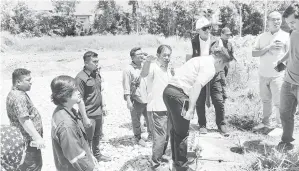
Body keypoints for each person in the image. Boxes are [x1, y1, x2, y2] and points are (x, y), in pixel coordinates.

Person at [163, 47, 235, 170]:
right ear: (219, 62)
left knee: (176, 130)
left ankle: (176, 162)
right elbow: (197, 86)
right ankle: (182, 167)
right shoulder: (211, 68)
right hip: (179, 95)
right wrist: (191, 108)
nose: (222, 69)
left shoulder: (201, 59)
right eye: (223, 66)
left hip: (169, 92)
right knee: (182, 133)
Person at [51, 75, 100, 171]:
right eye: (75, 90)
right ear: (65, 94)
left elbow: (79, 142)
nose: (79, 92)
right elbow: (76, 158)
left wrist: (89, 156)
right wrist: (91, 168)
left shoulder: (63, 110)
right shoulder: (67, 125)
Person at [189, 16, 228, 135]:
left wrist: (222, 76)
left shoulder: (217, 40)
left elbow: (222, 58)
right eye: (204, 28)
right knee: (199, 101)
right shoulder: (193, 41)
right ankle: (202, 124)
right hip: (200, 75)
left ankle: (221, 124)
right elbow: (188, 60)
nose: (207, 30)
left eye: (209, 27)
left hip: (214, 75)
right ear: (198, 30)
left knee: (219, 100)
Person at [252, 11, 290, 131]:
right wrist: (268, 48)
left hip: (278, 75)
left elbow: (290, 55)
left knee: (279, 102)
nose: (277, 22)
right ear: (267, 21)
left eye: (279, 19)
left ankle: (279, 126)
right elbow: (254, 53)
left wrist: (279, 71)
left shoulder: (286, 36)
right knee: (265, 100)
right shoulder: (262, 37)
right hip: (263, 74)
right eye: (273, 19)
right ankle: (266, 123)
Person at [140, 45, 174, 170]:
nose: (167, 57)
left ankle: (162, 156)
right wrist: (148, 61)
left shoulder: (169, 69)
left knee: (167, 135)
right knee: (160, 137)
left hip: (168, 108)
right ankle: (156, 164)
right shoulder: (153, 67)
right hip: (156, 107)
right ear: (158, 55)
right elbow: (143, 74)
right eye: (164, 55)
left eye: (169, 55)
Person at [6, 68, 45, 171]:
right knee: (33, 167)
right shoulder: (19, 97)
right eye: (28, 80)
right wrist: (37, 138)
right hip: (28, 142)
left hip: (22, 141)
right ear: (18, 82)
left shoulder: (15, 92)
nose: (31, 82)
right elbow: (25, 121)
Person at [75, 51, 111, 162]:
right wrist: (84, 117)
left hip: (98, 112)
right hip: (88, 113)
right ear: (86, 63)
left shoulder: (96, 74)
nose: (97, 64)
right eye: (94, 62)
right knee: (87, 138)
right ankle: (88, 158)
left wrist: (103, 106)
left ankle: (97, 154)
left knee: (97, 135)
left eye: (97, 61)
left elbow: (100, 91)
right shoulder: (80, 78)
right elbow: (79, 99)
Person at [277, 2, 299, 151]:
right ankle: (286, 141)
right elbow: (291, 51)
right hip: (288, 81)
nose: (290, 26)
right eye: (288, 23)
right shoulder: (294, 33)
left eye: (292, 22)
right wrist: (282, 60)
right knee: (284, 113)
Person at [122, 47, 151, 147]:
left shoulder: (146, 66)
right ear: (133, 57)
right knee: (136, 119)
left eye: (142, 54)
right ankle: (138, 137)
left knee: (150, 118)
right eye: (139, 55)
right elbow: (126, 86)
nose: (142, 56)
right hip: (136, 98)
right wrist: (128, 101)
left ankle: (151, 135)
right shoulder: (128, 70)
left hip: (148, 97)